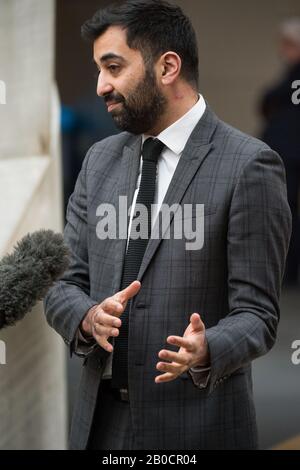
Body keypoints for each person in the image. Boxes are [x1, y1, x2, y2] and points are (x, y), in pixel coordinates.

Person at [44, 0, 292, 450]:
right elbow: (64, 282)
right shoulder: (98, 161)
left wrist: (208, 347)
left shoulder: (250, 166)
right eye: (100, 70)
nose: (101, 85)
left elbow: (258, 316)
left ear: (168, 67)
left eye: (114, 67)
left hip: (199, 427)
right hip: (99, 425)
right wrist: (88, 317)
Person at [260, 18, 300, 286]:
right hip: (286, 152)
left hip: (291, 153)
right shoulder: (290, 76)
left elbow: (272, 99)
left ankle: (288, 273)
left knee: (285, 212)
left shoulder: (294, 80)